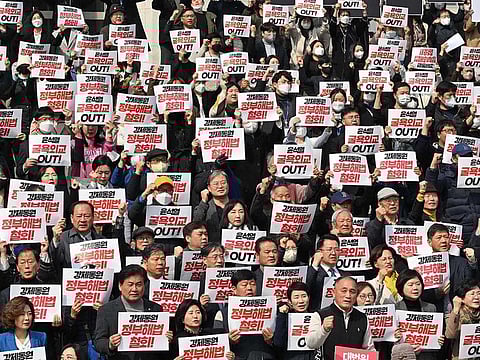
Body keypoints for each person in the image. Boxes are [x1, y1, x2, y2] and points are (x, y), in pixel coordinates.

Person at [94, 265, 165, 360]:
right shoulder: (106, 310)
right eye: (130, 284)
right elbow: (99, 341)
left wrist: (165, 338)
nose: (134, 289)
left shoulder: (156, 308)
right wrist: (110, 344)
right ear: (120, 286)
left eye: (139, 284)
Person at [306, 276, 374, 360]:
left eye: (352, 291)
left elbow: (369, 349)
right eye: (344, 291)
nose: (348, 295)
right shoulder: (320, 315)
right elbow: (311, 344)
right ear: (333, 292)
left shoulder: (362, 317)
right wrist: (324, 329)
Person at [213, 269, 276, 360]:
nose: (249, 288)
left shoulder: (270, 310)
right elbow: (217, 345)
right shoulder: (222, 314)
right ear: (234, 289)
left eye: (252, 284)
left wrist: (271, 341)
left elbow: (281, 341)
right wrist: (229, 341)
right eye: (244, 285)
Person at [422, 223, 476, 313]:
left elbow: (471, 282)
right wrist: (437, 293)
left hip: (459, 313)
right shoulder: (423, 264)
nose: (443, 241)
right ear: (429, 242)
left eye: (446, 237)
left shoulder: (461, 262)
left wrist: (472, 262)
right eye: (439, 237)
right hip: (435, 313)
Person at [395, 269, 445, 360]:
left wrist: (438, 340)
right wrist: (395, 337)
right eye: (410, 285)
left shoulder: (431, 308)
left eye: (418, 284)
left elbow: (434, 338)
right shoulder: (395, 310)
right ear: (401, 287)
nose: (415, 288)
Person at [306, 235, 350, 310]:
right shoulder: (313, 272)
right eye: (329, 249)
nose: (333, 253)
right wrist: (315, 264)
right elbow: (306, 288)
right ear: (319, 252)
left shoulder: (346, 275)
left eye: (336, 250)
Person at [273, 282, 315, 360]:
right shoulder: (285, 317)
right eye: (296, 297)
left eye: (304, 296)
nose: (301, 301)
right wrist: (282, 315)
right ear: (290, 301)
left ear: (309, 297)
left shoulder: (317, 316)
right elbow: (278, 342)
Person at [446, 280, 480, 360]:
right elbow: (450, 335)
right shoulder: (455, 314)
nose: (476, 297)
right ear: (462, 298)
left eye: (479, 293)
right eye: (472, 294)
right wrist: (456, 309)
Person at [193, 170, 230, 243]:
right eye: (216, 184)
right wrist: (203, 201)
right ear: (209, 188)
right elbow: (196, 223)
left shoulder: (237, 205)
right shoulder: (204, 207)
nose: (220, 186)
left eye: (223, 183)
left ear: (228, 185)